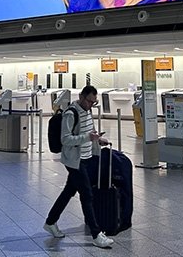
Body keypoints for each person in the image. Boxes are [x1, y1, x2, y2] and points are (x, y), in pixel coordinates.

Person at [44, 85, 114, 249]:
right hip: (74, 161)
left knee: (69, 191)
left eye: (94, 102)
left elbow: (90, 130)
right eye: (89, 101)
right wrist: (87, 137)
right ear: (82, 97)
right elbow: (65, 139)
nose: (91, 105)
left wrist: (96, 139)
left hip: (86, 157)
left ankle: (50, 221)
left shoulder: (87, 111)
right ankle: (96, 235)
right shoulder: (71, 113)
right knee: (87, 195)